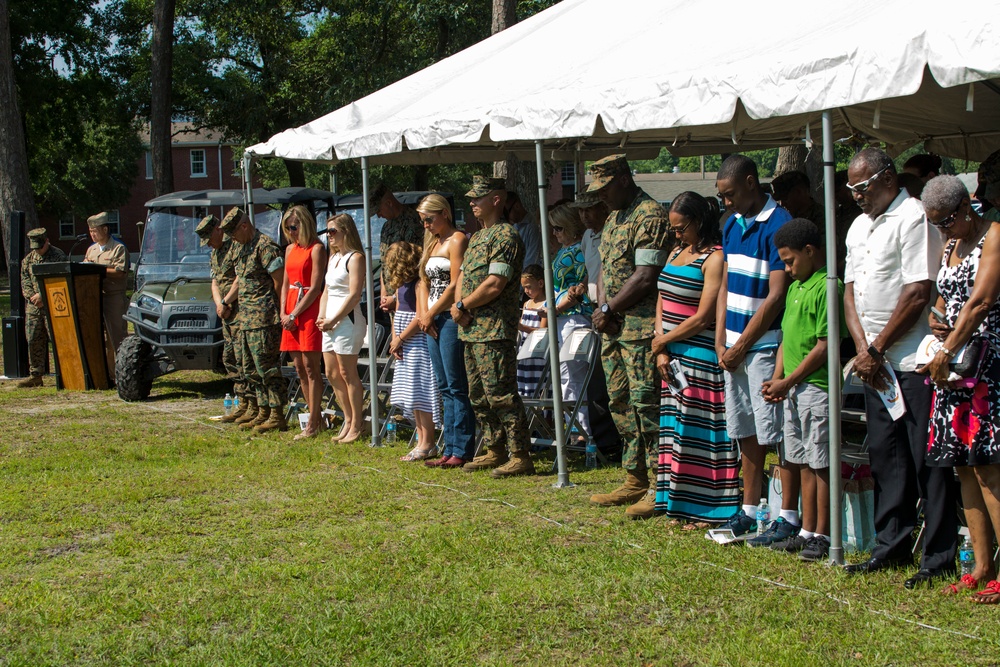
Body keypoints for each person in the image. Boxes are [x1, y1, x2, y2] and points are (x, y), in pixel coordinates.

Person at [842, 148, 958, 588]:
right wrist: (862, 349)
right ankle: (890, 545)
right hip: (876, 363)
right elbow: (850, 293)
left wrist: (879, 347)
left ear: (887, 177)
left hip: (913, 360)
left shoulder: (914, 217)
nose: (855, 196)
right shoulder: (858, 226)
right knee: (886, 458)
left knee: (927, 460)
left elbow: (917, 291)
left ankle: (938, 556)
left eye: (861, 186)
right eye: (851, 188)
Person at [919, 175, 1000, 602]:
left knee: (989, 466)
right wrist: (937, 320)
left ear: (967, 208)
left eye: (947, 221)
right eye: (935, 224)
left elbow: (982, 301)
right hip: (951, 364)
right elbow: (945, 297)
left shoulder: (995, 236)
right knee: (963, 466)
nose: (942, 231)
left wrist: (947, 349)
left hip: (985, 363)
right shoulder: (951, 244)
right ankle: (984, 565)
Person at [712, 154, 795, 543]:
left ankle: (787, 515)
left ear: (750, 183)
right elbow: (725, 285)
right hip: (732, 348)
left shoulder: (779, 224)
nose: (724, 202)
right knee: (745, 429)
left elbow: (776, 295)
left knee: (774, 433)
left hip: (762, 347)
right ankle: (748, 509)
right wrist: (720, 340)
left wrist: (742, 344)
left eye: (728, 194)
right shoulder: (731, 224)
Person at [587, 154, 672, 520]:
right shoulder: (613, 218)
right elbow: (608, 269)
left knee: (647, 404)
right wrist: (603, 307)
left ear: (623, 178)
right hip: (614, 329)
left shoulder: (648, 215)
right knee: (620, 402)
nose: (600, 196)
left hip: (638, 329)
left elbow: (645, 274)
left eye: (605, 188)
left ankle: (660, 484)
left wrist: (609, 310)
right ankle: (634, 476)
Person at [761, 219, 846, 561]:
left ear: (810, 252)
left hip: (817, 388)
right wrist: (778, 376)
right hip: (794, 389)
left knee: (821, 462)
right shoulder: (797, 287)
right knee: (801, 460)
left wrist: (789, 379)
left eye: (790, 260)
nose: (787, 268)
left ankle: (824, 533)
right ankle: (806, 529)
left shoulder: (828, 287)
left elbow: (825, 346)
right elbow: (785, 339)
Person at [650, 192, 736, 526]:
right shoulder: (675, 252)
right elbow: (662, 298)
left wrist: (662, 342)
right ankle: (680, 503)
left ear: (699, 221)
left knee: (701, 437)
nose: (676, 235)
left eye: (681, 227)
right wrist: (662, 347)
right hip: (671, 358)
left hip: (698, 357)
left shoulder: (715, 258)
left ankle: (708, 507)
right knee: (676, 434)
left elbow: (704, 317)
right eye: (673, 229)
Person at [451, 175, 532, 478]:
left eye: (477, 198)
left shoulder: (505, 236)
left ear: (496, 200)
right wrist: (459, 306)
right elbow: (460, 277)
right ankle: (494, 449)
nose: (471, 203)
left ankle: (520, 454)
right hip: (471, 328)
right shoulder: (475, 238)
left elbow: (495, 284)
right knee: (478, 395)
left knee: (501, 393)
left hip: (494, 328)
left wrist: (462, 306)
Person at [415, 194, 476, 468]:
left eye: (429, 219)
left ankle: (461, 449)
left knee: (456, 385)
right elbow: (423, 282)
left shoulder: (458, 239)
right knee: (443, 386)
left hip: (448, 319)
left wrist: (432, 312)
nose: (426, 225)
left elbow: (454, 284)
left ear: (445, 214)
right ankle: (448, 447)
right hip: (431, 319)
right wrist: (422, 315)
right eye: (423, 220)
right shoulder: (433, 243)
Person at [221, 207, 288, 432]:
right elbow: (240, 281)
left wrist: (280, 311)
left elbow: (279, 282)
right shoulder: (242, 248)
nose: (232, 239)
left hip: (264, 318)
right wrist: (227, 301)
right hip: (245, 319)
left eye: (233, 233)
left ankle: (277, 414)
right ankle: (262, 411)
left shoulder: (265, 246)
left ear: (244, 225)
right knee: (250, 369)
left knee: (266, 368)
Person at [384, 241, 441, 461]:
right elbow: (396, 313)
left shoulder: (419, 284)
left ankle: (428, 442)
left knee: (421, 392)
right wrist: (394, 339)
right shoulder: (401, 285)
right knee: (411, 394)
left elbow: (419, 317)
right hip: (404, 342)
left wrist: (400, 338)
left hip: (416, 342)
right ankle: (420, 441)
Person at [316, 213, 367, 444]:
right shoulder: (333, 257)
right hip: (329, 321)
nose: (329, 236)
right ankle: (347, 419)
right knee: (332, 373)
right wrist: (321, 315)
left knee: (348, 373)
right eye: (327, 232)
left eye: (333, 231)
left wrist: (334, 319)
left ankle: (358, 423)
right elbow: (326, 290)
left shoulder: (355, 257)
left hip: (347, 321)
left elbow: (354, 295)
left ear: (346, 231)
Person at [279, 206, 327, 440]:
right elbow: (285, 285)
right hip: (290, 309)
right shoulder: (289, 249)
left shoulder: (316, 249)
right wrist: (283, 312)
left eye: (294, 227)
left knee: (311, 367)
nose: (291, 232)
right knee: (298, 368)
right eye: (288, 228)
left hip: (307, 309)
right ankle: (312, 416)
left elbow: (316, 287)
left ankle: (314, 421)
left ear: (305, 224)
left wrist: (295, 313)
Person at [195, 214, 248, 423]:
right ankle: (241, 402)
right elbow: (215, 281)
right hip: (225, 314)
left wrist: (226, 302)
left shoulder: (235, 247)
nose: (208, 243)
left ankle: (249, 405)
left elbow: (239, 279)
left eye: (209, 237)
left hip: (240, 312)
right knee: (230, 359)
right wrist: (219, 304)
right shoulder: (214, 254)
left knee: (244, 360)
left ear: (218, 229)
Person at [549, 204, 594, 442]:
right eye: (552, 229)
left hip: (574, 318)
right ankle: (572, 426)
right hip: (562, 319)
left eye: (558, 228)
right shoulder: (565, 250)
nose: (554, 233)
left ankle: (580, 430)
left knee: (572, 374)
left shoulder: (578, 251)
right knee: (564, 374)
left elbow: (576, 289)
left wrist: (555, 308)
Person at [18, 227, 67, 388]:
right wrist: (32, 297)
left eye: (40, 246)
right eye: (35, 248)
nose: (38, 250)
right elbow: (25, 281)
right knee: (33, 339)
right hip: (34, 308)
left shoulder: (58, 256)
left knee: (58, 340)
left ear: (47, 241)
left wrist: (43, 295)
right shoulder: (28, 260)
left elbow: (61, 280)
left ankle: (65, 373)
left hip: (54, 306)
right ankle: (36, 375)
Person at [83, 212, 130, 378]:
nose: (92, 234)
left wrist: (98, 270)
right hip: (94, 297)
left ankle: (118, 374)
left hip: (113, 297)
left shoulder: (118, 248)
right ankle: (101, 374)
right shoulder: (91, 250)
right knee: (95, 336)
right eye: (90, 231)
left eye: (95, 230)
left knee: (115, 337)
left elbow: (121, 272)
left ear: (105, 229)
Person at [371, 183, 424, 312]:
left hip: (409, 300)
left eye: (379, 210)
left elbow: (412, 268)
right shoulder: (386, 227)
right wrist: (384, 295)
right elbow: (385, 264)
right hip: (391, 300)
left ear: (389, 203)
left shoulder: (413, 223)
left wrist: (395, 298)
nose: (378, 215)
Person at [516, 264, 547, 399]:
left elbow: (542, 332)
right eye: (524, 288)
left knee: (539, 386)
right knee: (524, 385)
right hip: (525, 352)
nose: (527, 291)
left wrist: (522, 327)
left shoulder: (546, 304)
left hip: (538, 354)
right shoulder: (526, 304)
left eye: (529, 286)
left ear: (540, 283)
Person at [505, 191, 542, 269]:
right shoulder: (513, 226)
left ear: (517, 206)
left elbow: (532, 261)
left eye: (507, 212)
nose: (506, 216)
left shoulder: (532, 227)